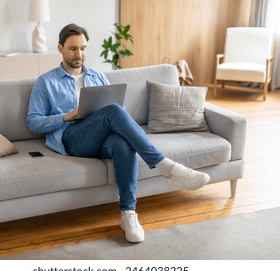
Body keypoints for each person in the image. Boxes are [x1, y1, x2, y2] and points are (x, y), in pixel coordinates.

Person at [27, 23, 210, 243]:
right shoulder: (46, 82)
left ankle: (128, 214)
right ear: (60, 49)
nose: (79, 54)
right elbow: (33, 123)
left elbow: (117, 112)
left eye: (83, 48)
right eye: (73, 49)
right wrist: (68, 115)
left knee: (124, 145)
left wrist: (116, 119)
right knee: (112, 110)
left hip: (101, 137)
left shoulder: (97, 77)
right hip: (72, 138)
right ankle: (167, 167)